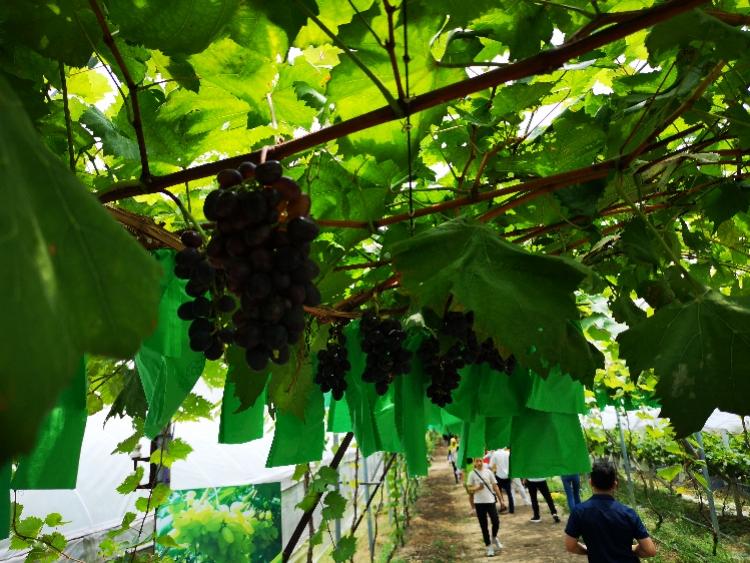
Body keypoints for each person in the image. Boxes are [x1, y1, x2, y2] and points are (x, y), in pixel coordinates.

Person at [564, 459, 657, 562]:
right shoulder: (628, 513)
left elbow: (570, 545)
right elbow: (650, 550)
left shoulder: (579, 512)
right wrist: (632, 548)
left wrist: (591, 550)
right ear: (615, 485)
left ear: (591, 483)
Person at [467, 457, 504, 557]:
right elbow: (469, 490)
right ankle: (489, 547)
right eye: (477, 461)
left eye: (480, 461)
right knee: (484, 526)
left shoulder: (488, 472)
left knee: (496, 521)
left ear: (482, 461)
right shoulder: (472, 474)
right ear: (474, 462)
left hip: (490, 501)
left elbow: (495, 486)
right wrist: (477, 488)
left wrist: (501, 500)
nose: (479, 463)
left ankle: (494, 537)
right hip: (479, 503)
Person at [489, 448, 514, 514]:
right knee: (509, 493)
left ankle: (503, 506)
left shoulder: (495, 454)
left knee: (499, 493)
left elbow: (490, 466)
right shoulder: (508, 453)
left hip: (499, 475)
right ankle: (512, 509)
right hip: (507, 475)